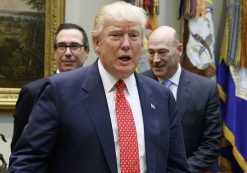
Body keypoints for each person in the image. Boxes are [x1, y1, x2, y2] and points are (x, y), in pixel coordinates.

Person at [8, 2, 190, 173]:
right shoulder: (59, 91)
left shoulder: (161, 97)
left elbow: (176, 166)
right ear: (96, 43)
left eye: (134, 35)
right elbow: (27, 160)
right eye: (116, 35)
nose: (126, 44)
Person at [142, 26, 222, 173]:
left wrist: (182, 171)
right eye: (151, 52)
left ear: (179, 49)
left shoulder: (206, 90)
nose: (155, 59)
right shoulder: (138, 83)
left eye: (162, 52)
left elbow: (211, 144)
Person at [10, 23, 89, 151]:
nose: (68, 53)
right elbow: (20, 149)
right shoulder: (33, 92)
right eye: (62, 46)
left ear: (86, 52)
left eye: (74, 46)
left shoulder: (98, 91)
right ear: (54, 52)